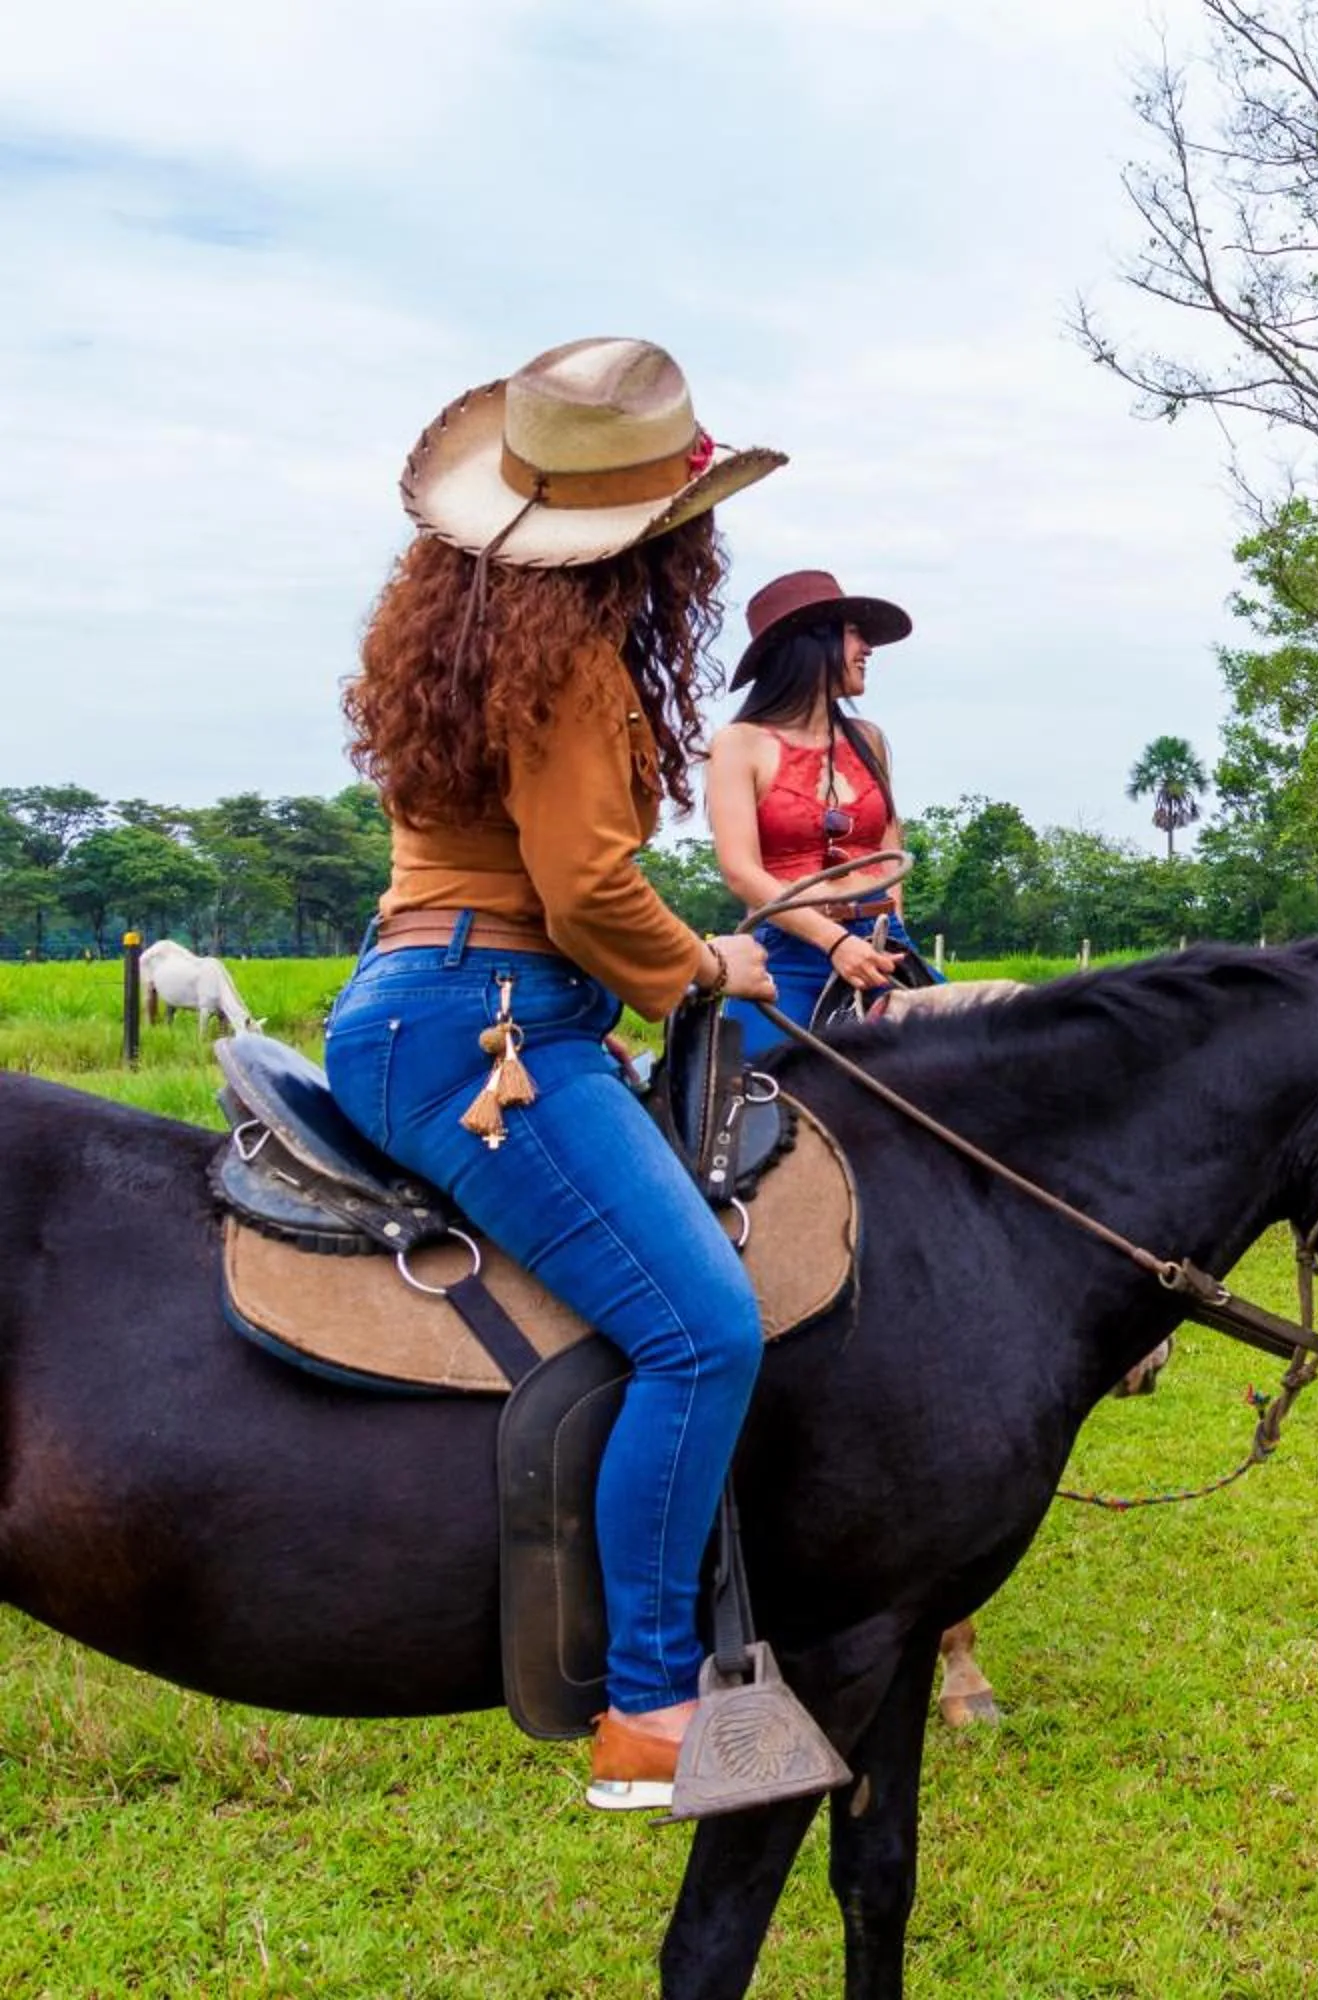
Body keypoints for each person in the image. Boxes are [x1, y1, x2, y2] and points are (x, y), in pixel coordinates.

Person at [326, 336, 785, 1810]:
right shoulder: (578, 659)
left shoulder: (461, 644)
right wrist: (710, 965)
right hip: (495, 1024)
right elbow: (585, 891)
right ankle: (651, 1704)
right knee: (705, 1331)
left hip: (423, 992)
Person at [704, 569, 920, 1054]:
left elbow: (889, 842)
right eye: (854, 634)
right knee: (750, 1091)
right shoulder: (739, 745)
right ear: (811, 642)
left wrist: (889, 927)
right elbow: (741, 871)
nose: (867, 649)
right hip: (790, 954)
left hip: (882, 944)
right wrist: (834, 941)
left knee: (970, 1073)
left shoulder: (869, 740)